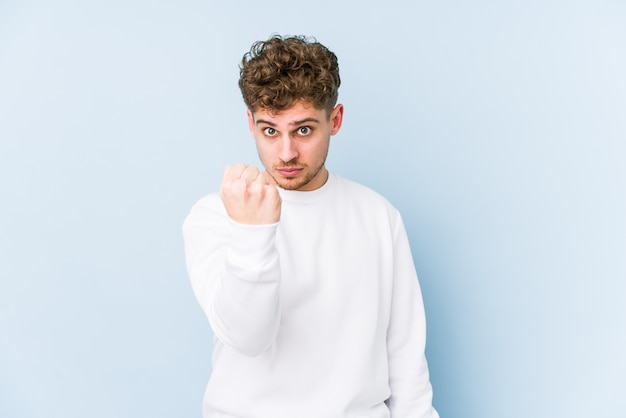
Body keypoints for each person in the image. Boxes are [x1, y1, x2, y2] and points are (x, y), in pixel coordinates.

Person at [182, 34, 439, 418]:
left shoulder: (379, 216)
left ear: (334, 121)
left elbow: (405, 361)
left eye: (303, 130)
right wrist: (253, 232)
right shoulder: (215, 215)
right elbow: (248, 337)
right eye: (270, 130)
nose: (286, 153)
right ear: (250, 123)